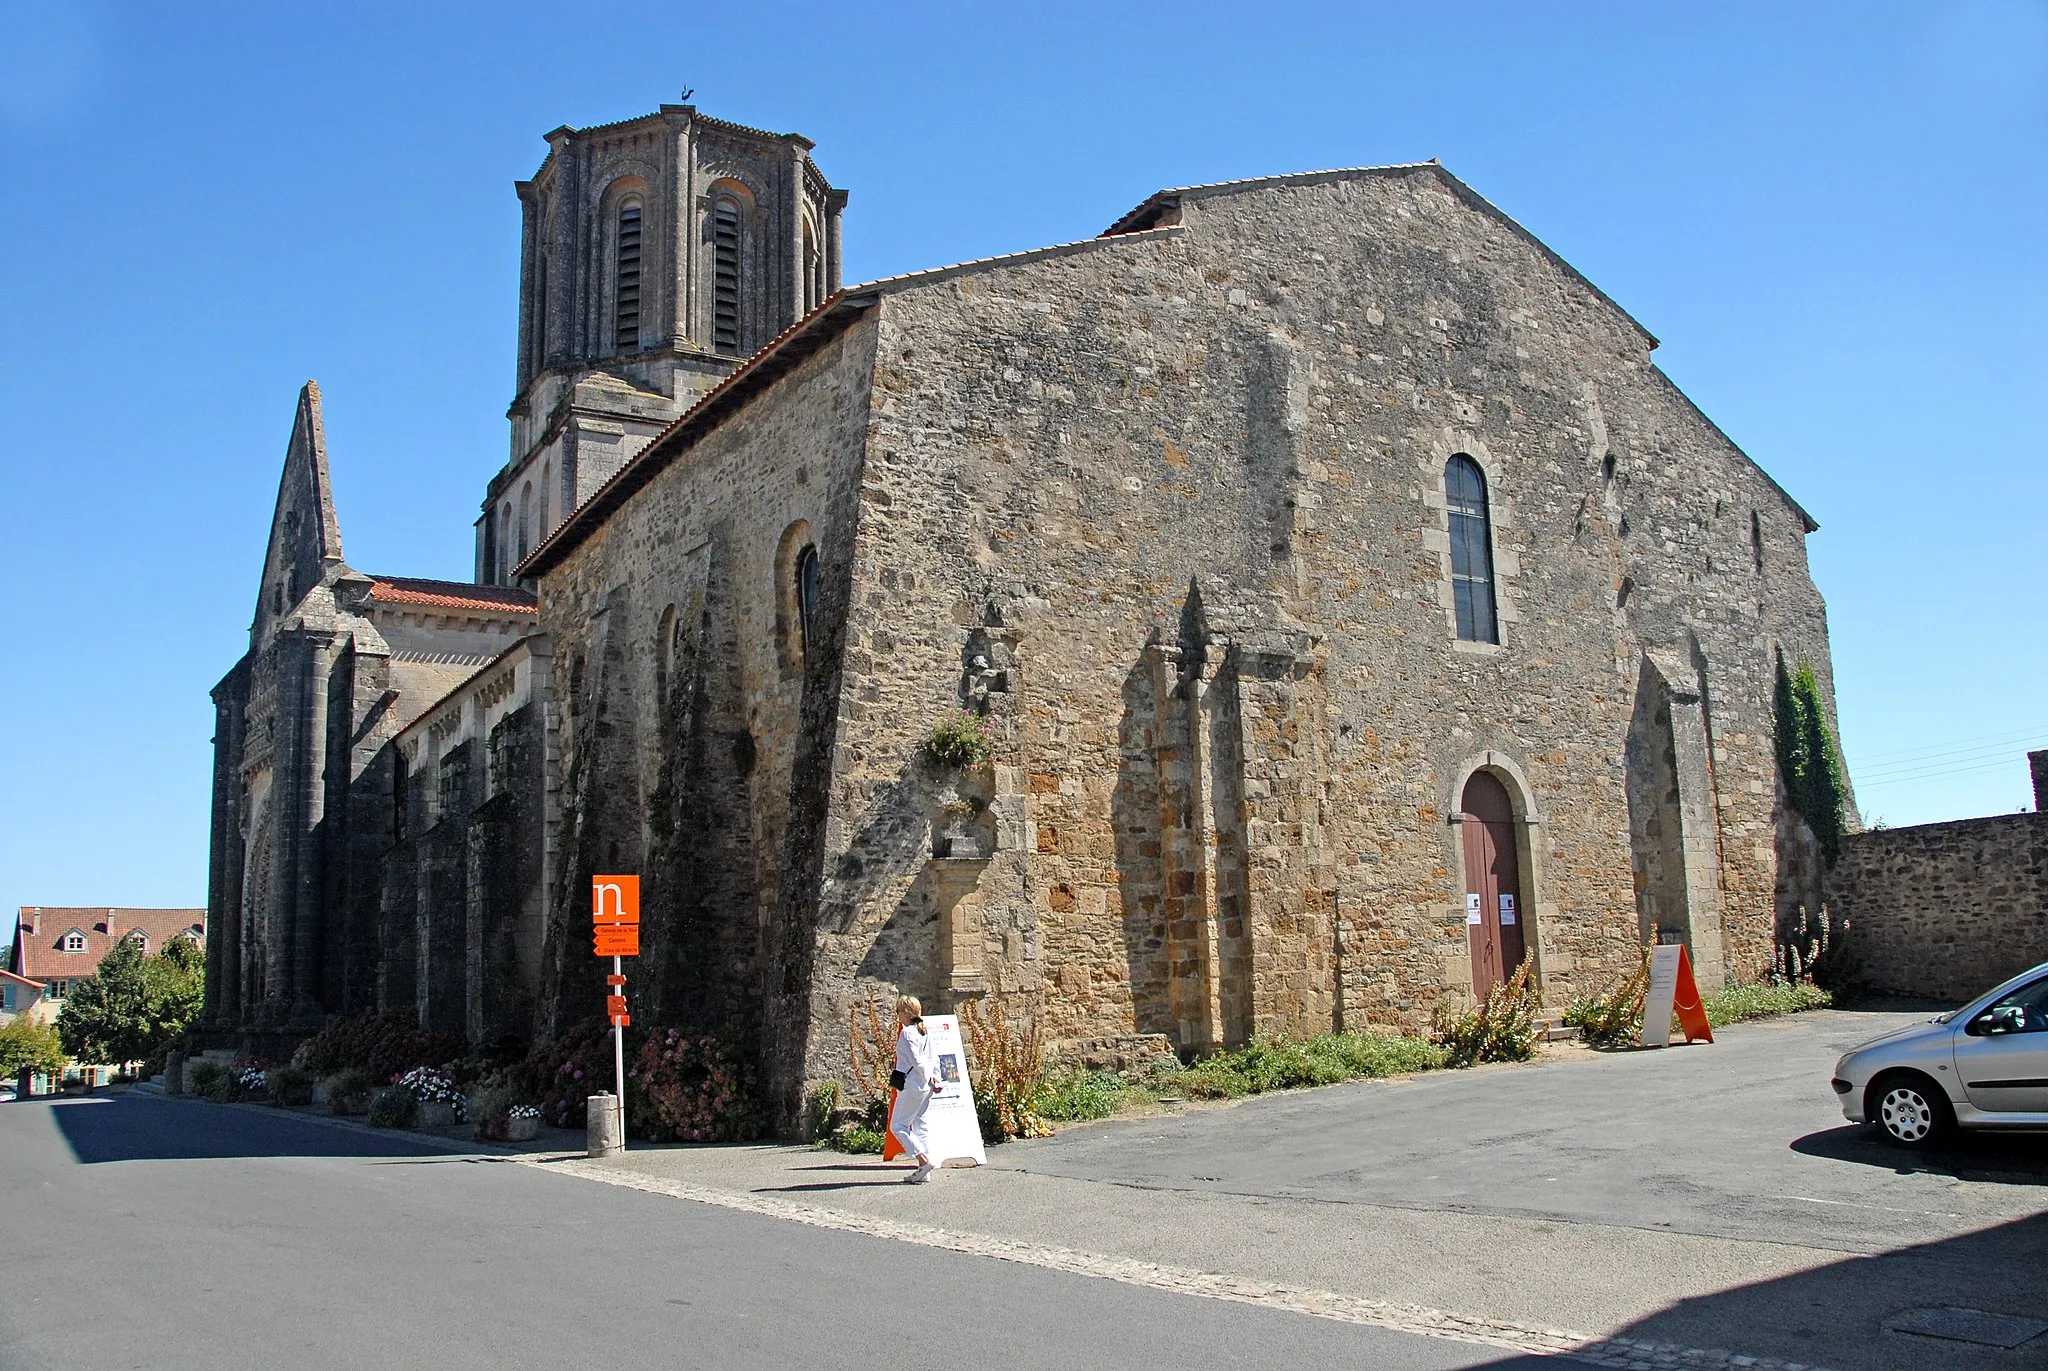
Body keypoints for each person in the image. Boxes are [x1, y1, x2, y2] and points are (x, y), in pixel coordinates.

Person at [888, 994, 944, 1184]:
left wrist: (927, 1075)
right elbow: (933, 1057)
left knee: (898, 1125)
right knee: (921, 1124)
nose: (897, 1015)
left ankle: (923, 1160)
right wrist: (935, 1077)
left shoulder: (907, 1032)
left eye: (898, 1011)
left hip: (913, 1084)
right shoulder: (923, 1030)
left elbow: (916, 1060)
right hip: (925, 1085)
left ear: (905, 1012)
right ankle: (924, 1172)